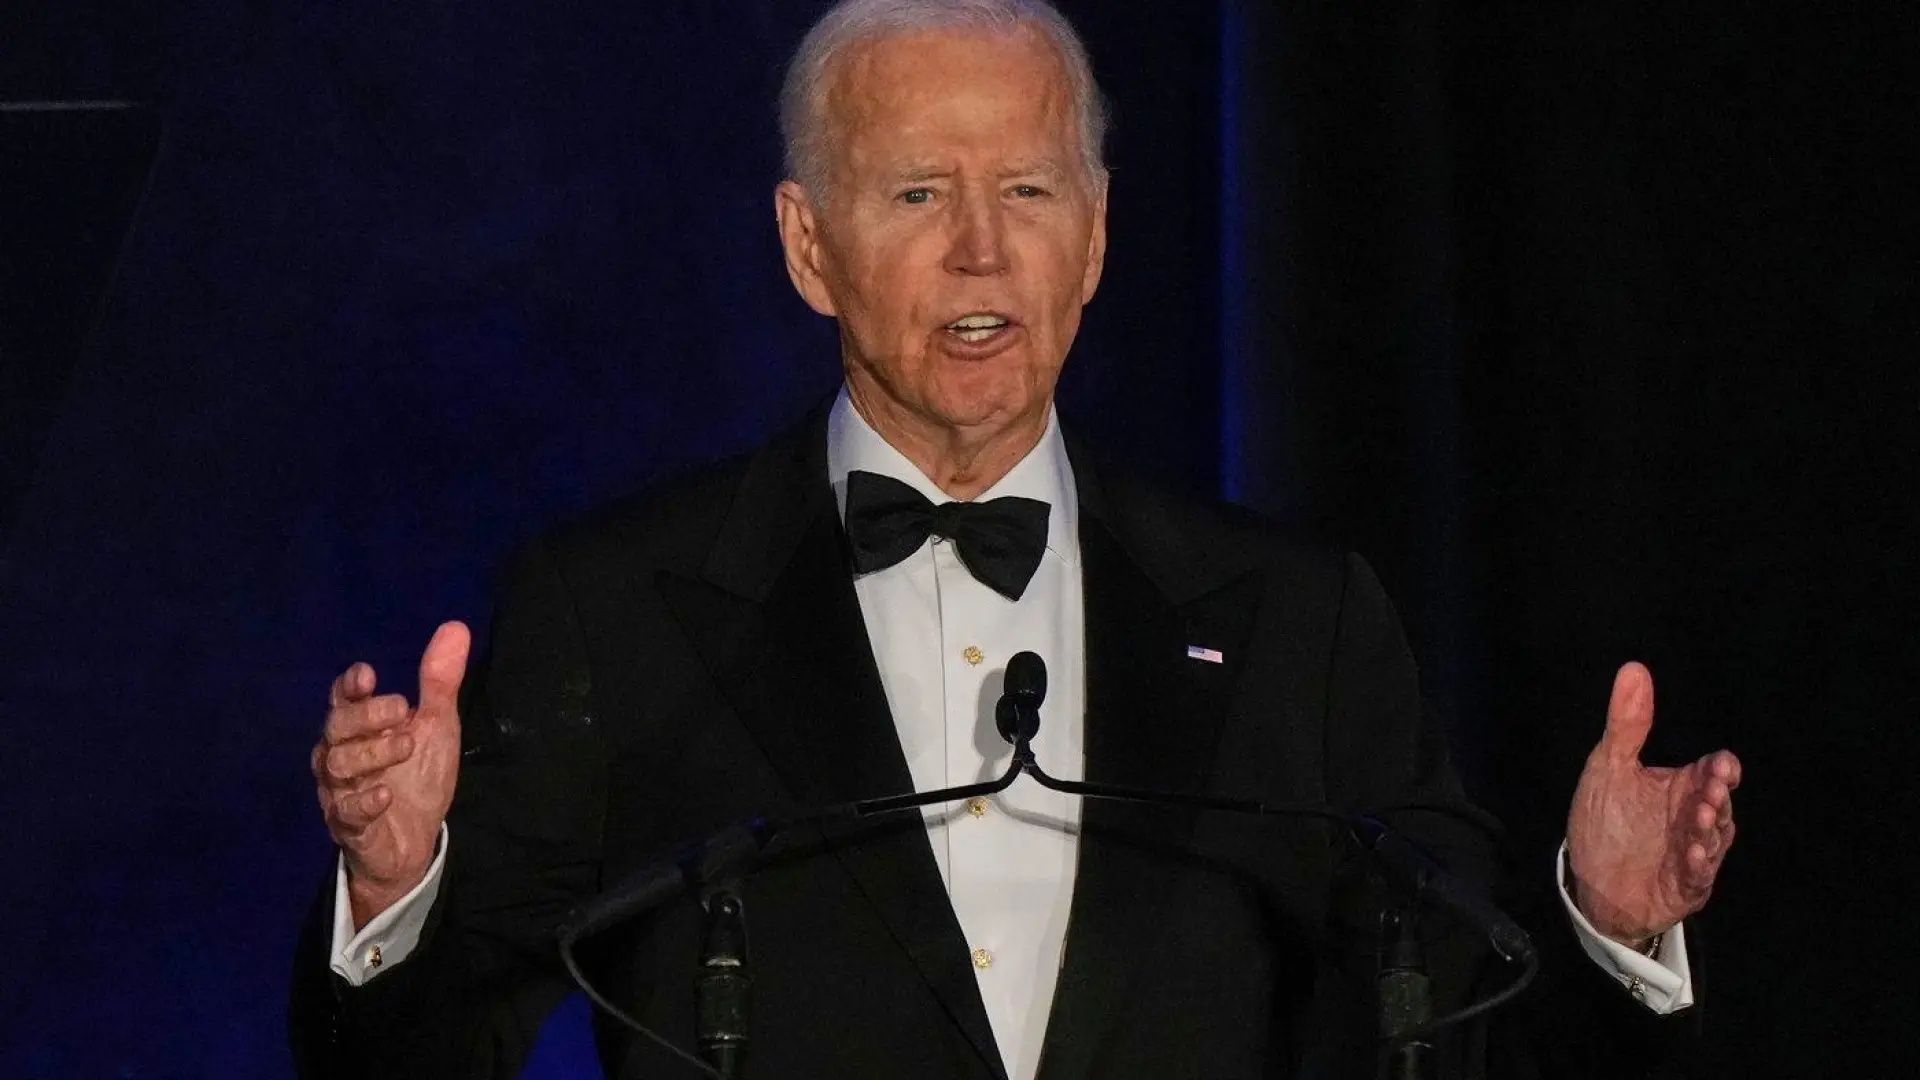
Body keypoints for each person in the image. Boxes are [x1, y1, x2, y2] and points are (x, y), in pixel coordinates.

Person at [290, 2, 1742, 1077]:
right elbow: (416, 1060)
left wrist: (1605, 926)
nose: (981, 250)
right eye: (919, 193)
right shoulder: (615, 610)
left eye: (1028, 192)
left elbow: (1458, 1035)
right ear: (809, 246)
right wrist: (395, 895)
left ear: (1095, 237)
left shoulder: (1298, 619)